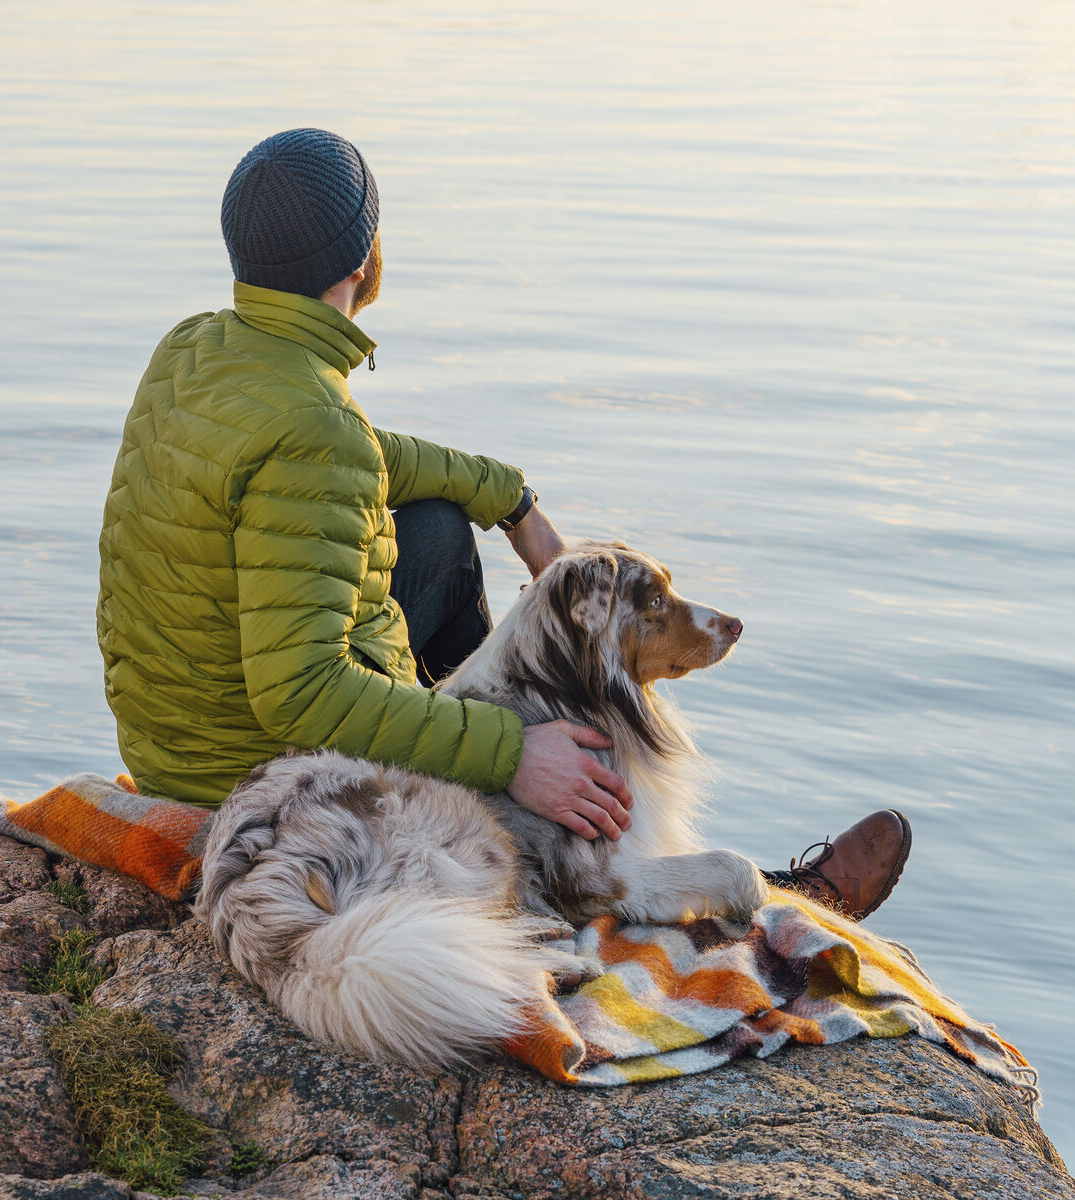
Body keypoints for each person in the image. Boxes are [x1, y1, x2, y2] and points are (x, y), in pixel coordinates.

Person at [97, 128, 910, 921]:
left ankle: (570, 813)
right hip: (263, 776)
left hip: (180, 736)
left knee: (440, 530)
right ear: (364, 257)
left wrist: (511, 503)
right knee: (521, 712)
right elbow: (301, 695)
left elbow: (355, 460)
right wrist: (508, 751)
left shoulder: (199, 347)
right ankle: (701, 886)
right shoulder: (315, 432)